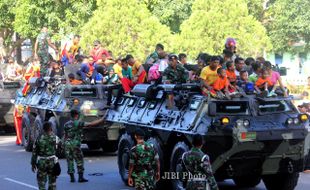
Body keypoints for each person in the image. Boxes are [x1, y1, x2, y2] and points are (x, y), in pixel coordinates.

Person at [64, 109, 105, 183]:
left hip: (67, 144)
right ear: (76, 115)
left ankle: (72, 178)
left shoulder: (66, 124)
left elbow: (65, 136)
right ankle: (80, 177)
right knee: (79, 161)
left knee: (70, 161)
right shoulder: (78, 123)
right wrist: (102, 119)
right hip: (75, 144)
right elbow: (90, 124)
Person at [31, 122, 61, 190]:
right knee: (52, 182)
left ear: (43, 129)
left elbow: (34, 153)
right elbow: (61, 148)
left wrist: (33, 164)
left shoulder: (38, 139)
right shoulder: (56, 138)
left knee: (41, 182)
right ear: (51, 128)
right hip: (52, 162)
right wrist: (55, 156)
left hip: (42, 162)